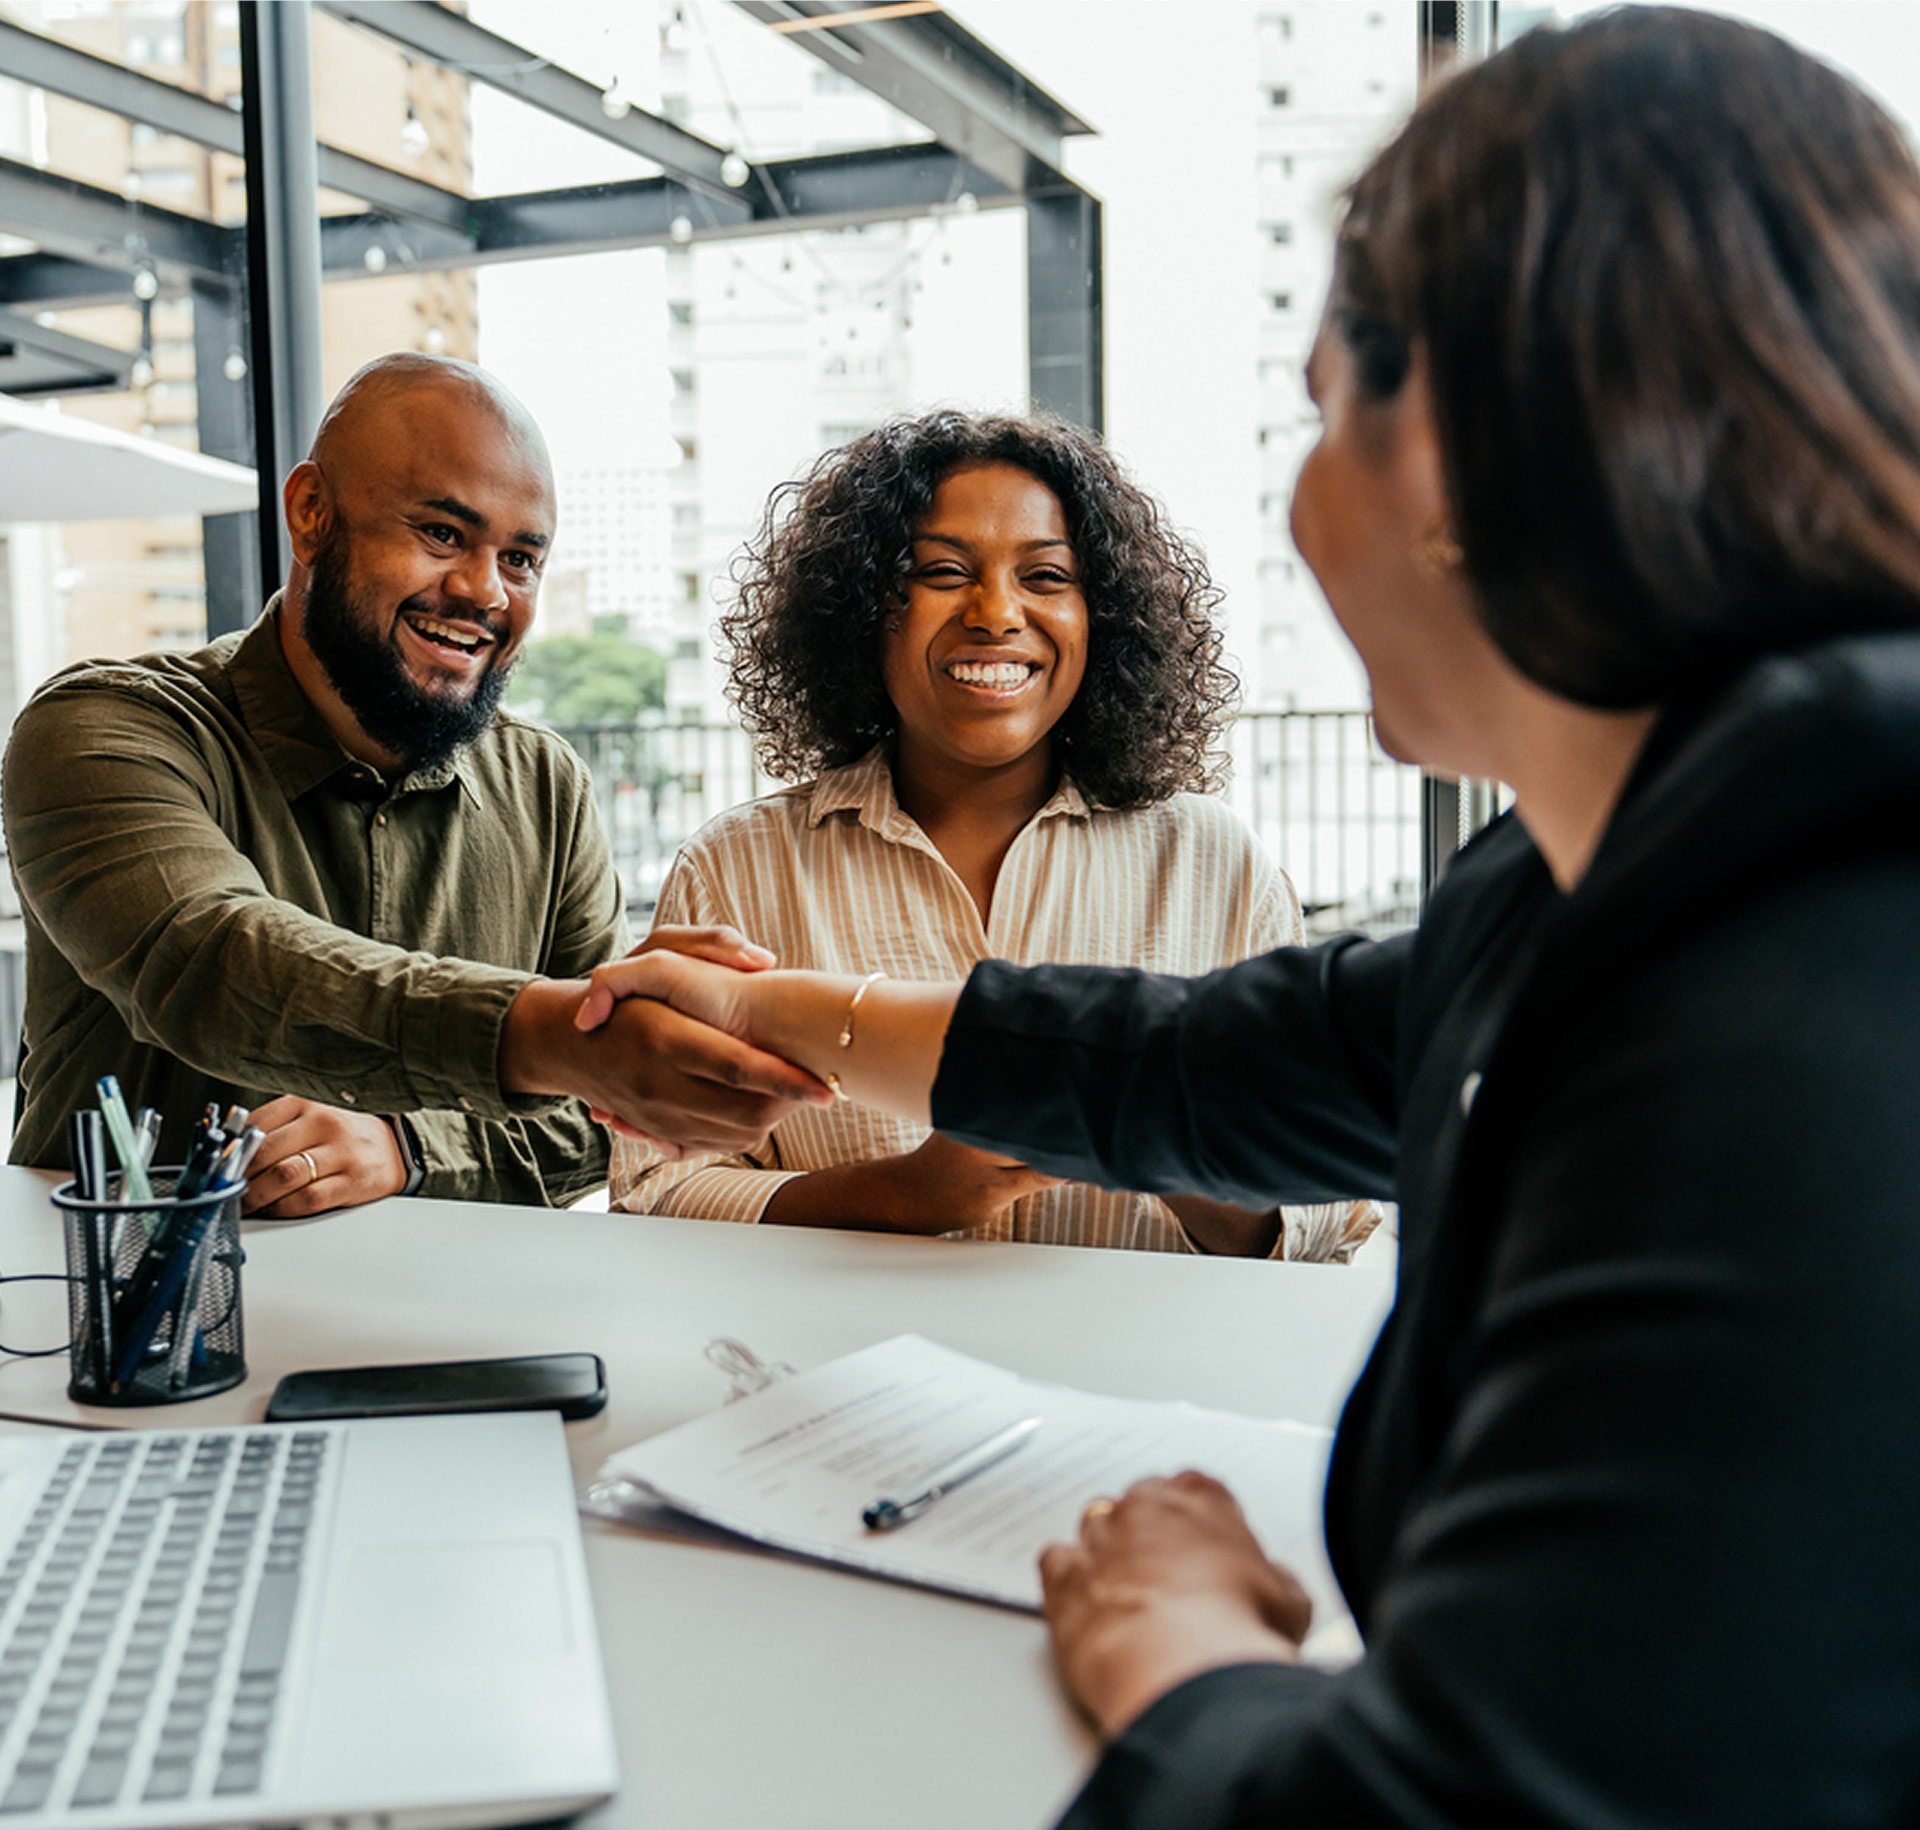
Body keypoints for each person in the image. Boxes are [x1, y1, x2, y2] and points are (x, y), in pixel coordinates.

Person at [574, 10, 1920, 1822]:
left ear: (1472, 448)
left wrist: (1179, 1646)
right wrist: (771, 1014)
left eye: (1321, 412)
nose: (1298, 509)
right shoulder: (1598, 880)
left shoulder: (1804, 1029)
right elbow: (1216, 1059)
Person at [5, 352, 825, 1218]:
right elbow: (214, 964)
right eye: (441, 534)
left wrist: (414, 1147)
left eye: (521, 558)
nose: (484, 591)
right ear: (311, 514)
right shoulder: (105, 728)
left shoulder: (545, 784)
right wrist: (557, 1037)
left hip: (458, 1301)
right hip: (140, 1293)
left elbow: (610, 1122)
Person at [611, 410, 1377, 1259]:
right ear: (861, 608)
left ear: (1101, 616)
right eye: (942, 572)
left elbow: (1330, 1211)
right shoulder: (736, 868)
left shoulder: (1215, 865)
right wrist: (906, 1197)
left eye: (1046, 576)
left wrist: (1148, 1119)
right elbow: (658, 1191)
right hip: (841, 1346)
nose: (996, 612)